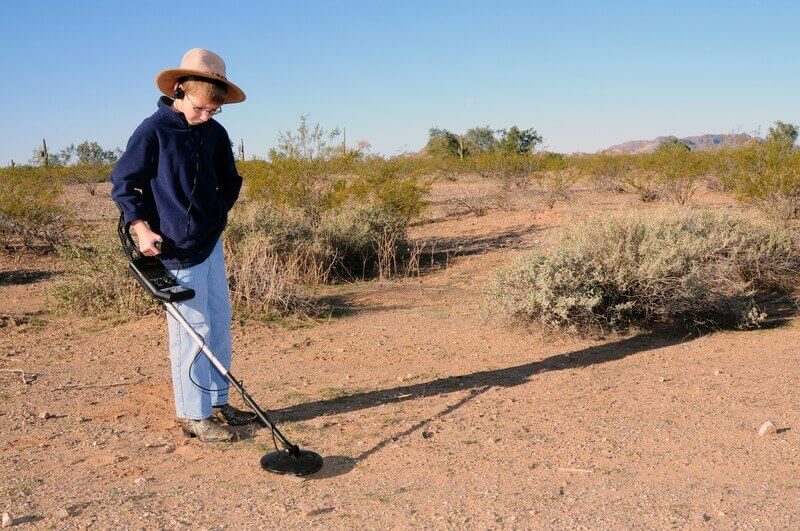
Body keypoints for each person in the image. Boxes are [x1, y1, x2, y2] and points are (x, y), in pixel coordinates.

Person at [111, 48, 255, 442]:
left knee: (219, 323)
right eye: (199, 108)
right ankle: (194, 414)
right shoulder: (152, 130)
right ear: (179, 90)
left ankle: (219, 401)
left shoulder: (215, 132)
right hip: (172, 248)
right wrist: (142, 229)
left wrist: (215, 215)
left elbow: (231, 180)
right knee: (193, 329)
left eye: (213, 111)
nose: (205, 116)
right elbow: (125, 184)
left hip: (210, 243)